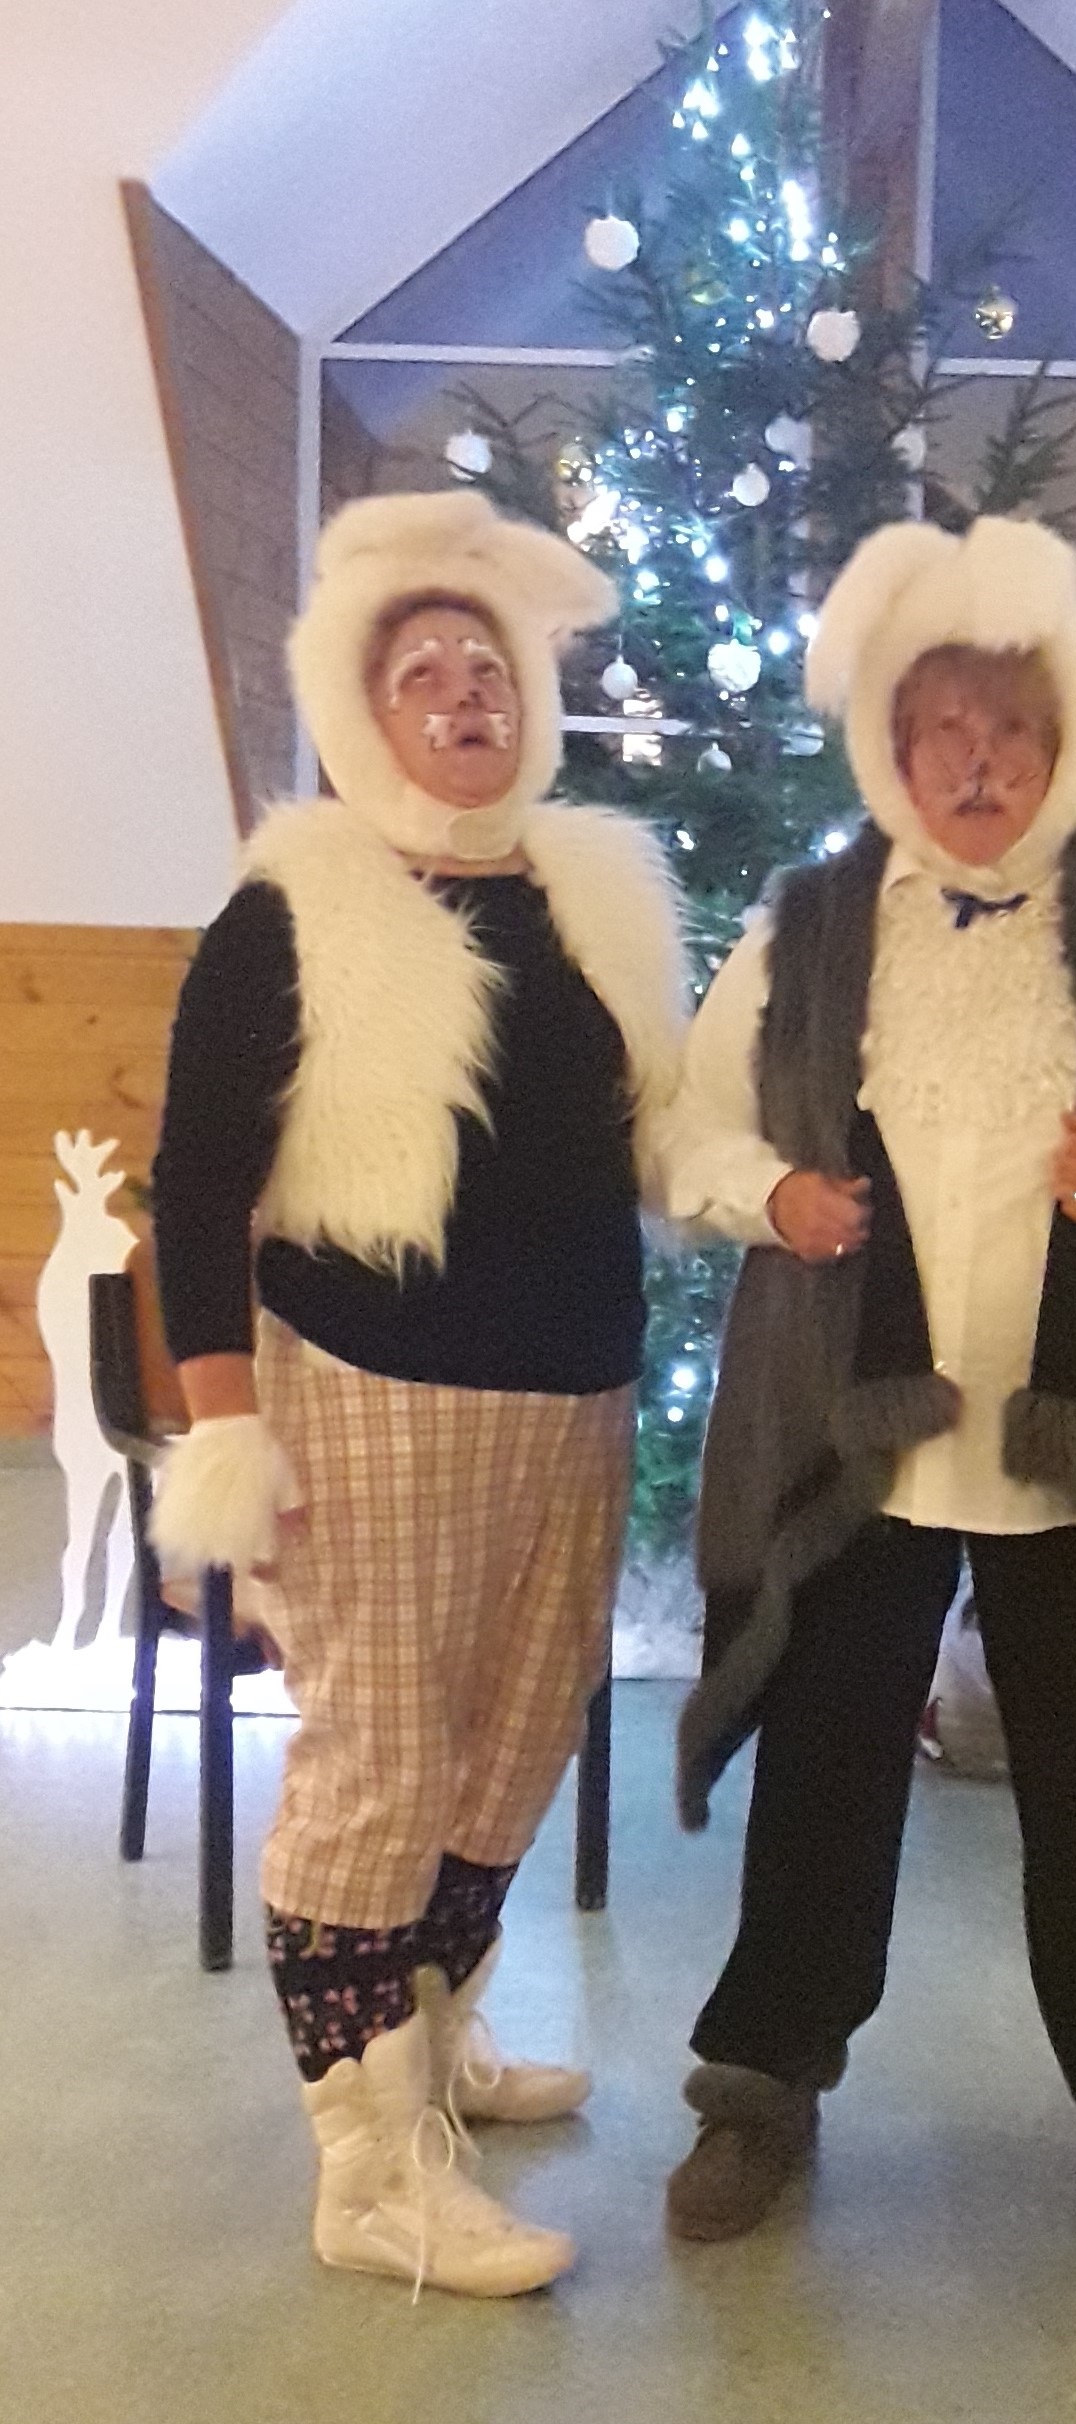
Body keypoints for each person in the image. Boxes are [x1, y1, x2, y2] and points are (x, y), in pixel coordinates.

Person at [662, 516, 1076, 2280]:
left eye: (1013, 727)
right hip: (860, 1446)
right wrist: (771, 1196)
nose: (980, 761)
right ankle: (762, 2085)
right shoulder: (807, 931)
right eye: (944, 727)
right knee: (827, 1770)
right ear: (892, 743)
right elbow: (694, 1132)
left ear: (1066, 739)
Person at [149, 491, 688, 2298]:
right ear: (358, 710)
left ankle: (434, 2039)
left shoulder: (593, 897)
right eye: (424, 673)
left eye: (489, 667)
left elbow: (659, 1125)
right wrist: (226, 1417)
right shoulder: (292, 904)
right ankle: (369, 2173)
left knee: (513, 1747)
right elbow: (197, 1183)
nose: (466, 694)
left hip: (576, 1393)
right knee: (379, 1768)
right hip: (372, 1388)